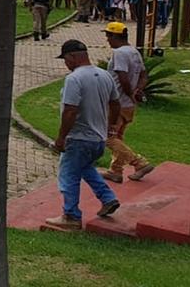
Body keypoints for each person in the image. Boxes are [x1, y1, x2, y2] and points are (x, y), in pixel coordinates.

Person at [46, 39, 122, 230]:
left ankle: (71, 215)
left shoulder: (74, 79)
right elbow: (115, 103)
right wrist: (111, 125)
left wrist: (62, 137)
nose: (66, 63)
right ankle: (108, 198)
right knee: (86, 168)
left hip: (79, 138)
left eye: (65, 59)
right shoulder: (105, 75)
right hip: (98, 139)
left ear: (72, 57)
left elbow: (70, 110)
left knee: (68, 175)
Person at [101, 23, 156, 183]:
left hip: (117, 103)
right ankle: (115, 171)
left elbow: (123, 77)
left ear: (115, 36)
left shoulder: (119, 53)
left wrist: (129, 93)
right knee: (118, 137)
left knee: (108, 138)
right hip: (129, 105)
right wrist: (138, 90)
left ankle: (139, 163)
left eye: (108, 36)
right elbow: (144, 75)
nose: (107, 40)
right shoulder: (134, 52)